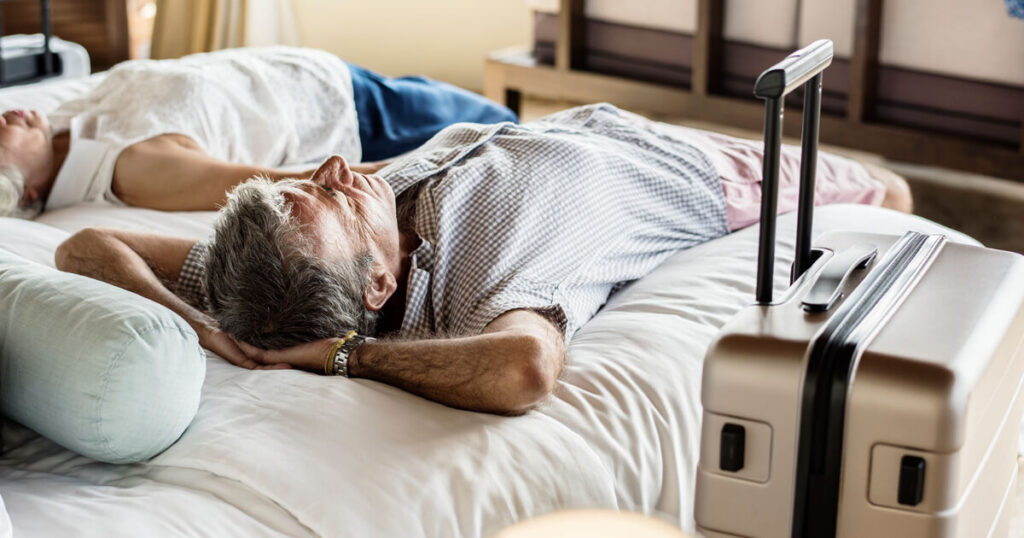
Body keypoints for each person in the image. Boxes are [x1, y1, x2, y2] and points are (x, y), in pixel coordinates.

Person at [55, 104, 912, 416]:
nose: (333, 171)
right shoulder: (499, 247)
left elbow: (88, 243)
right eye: (337, 199)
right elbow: (523, 371)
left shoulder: (265, 272)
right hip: (701, 174)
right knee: (892, 193)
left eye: (307, 187)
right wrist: (347, 358)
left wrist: (200, 326)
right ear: (379, 284)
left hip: (582, 132)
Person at [0, 46, 516, 217]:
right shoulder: (130, 170)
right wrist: (423, 166)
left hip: (325, 77)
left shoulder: (65, 122)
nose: (3, 119)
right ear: (30, 191)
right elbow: (275, 181)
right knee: (504, 122)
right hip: (355, 116)